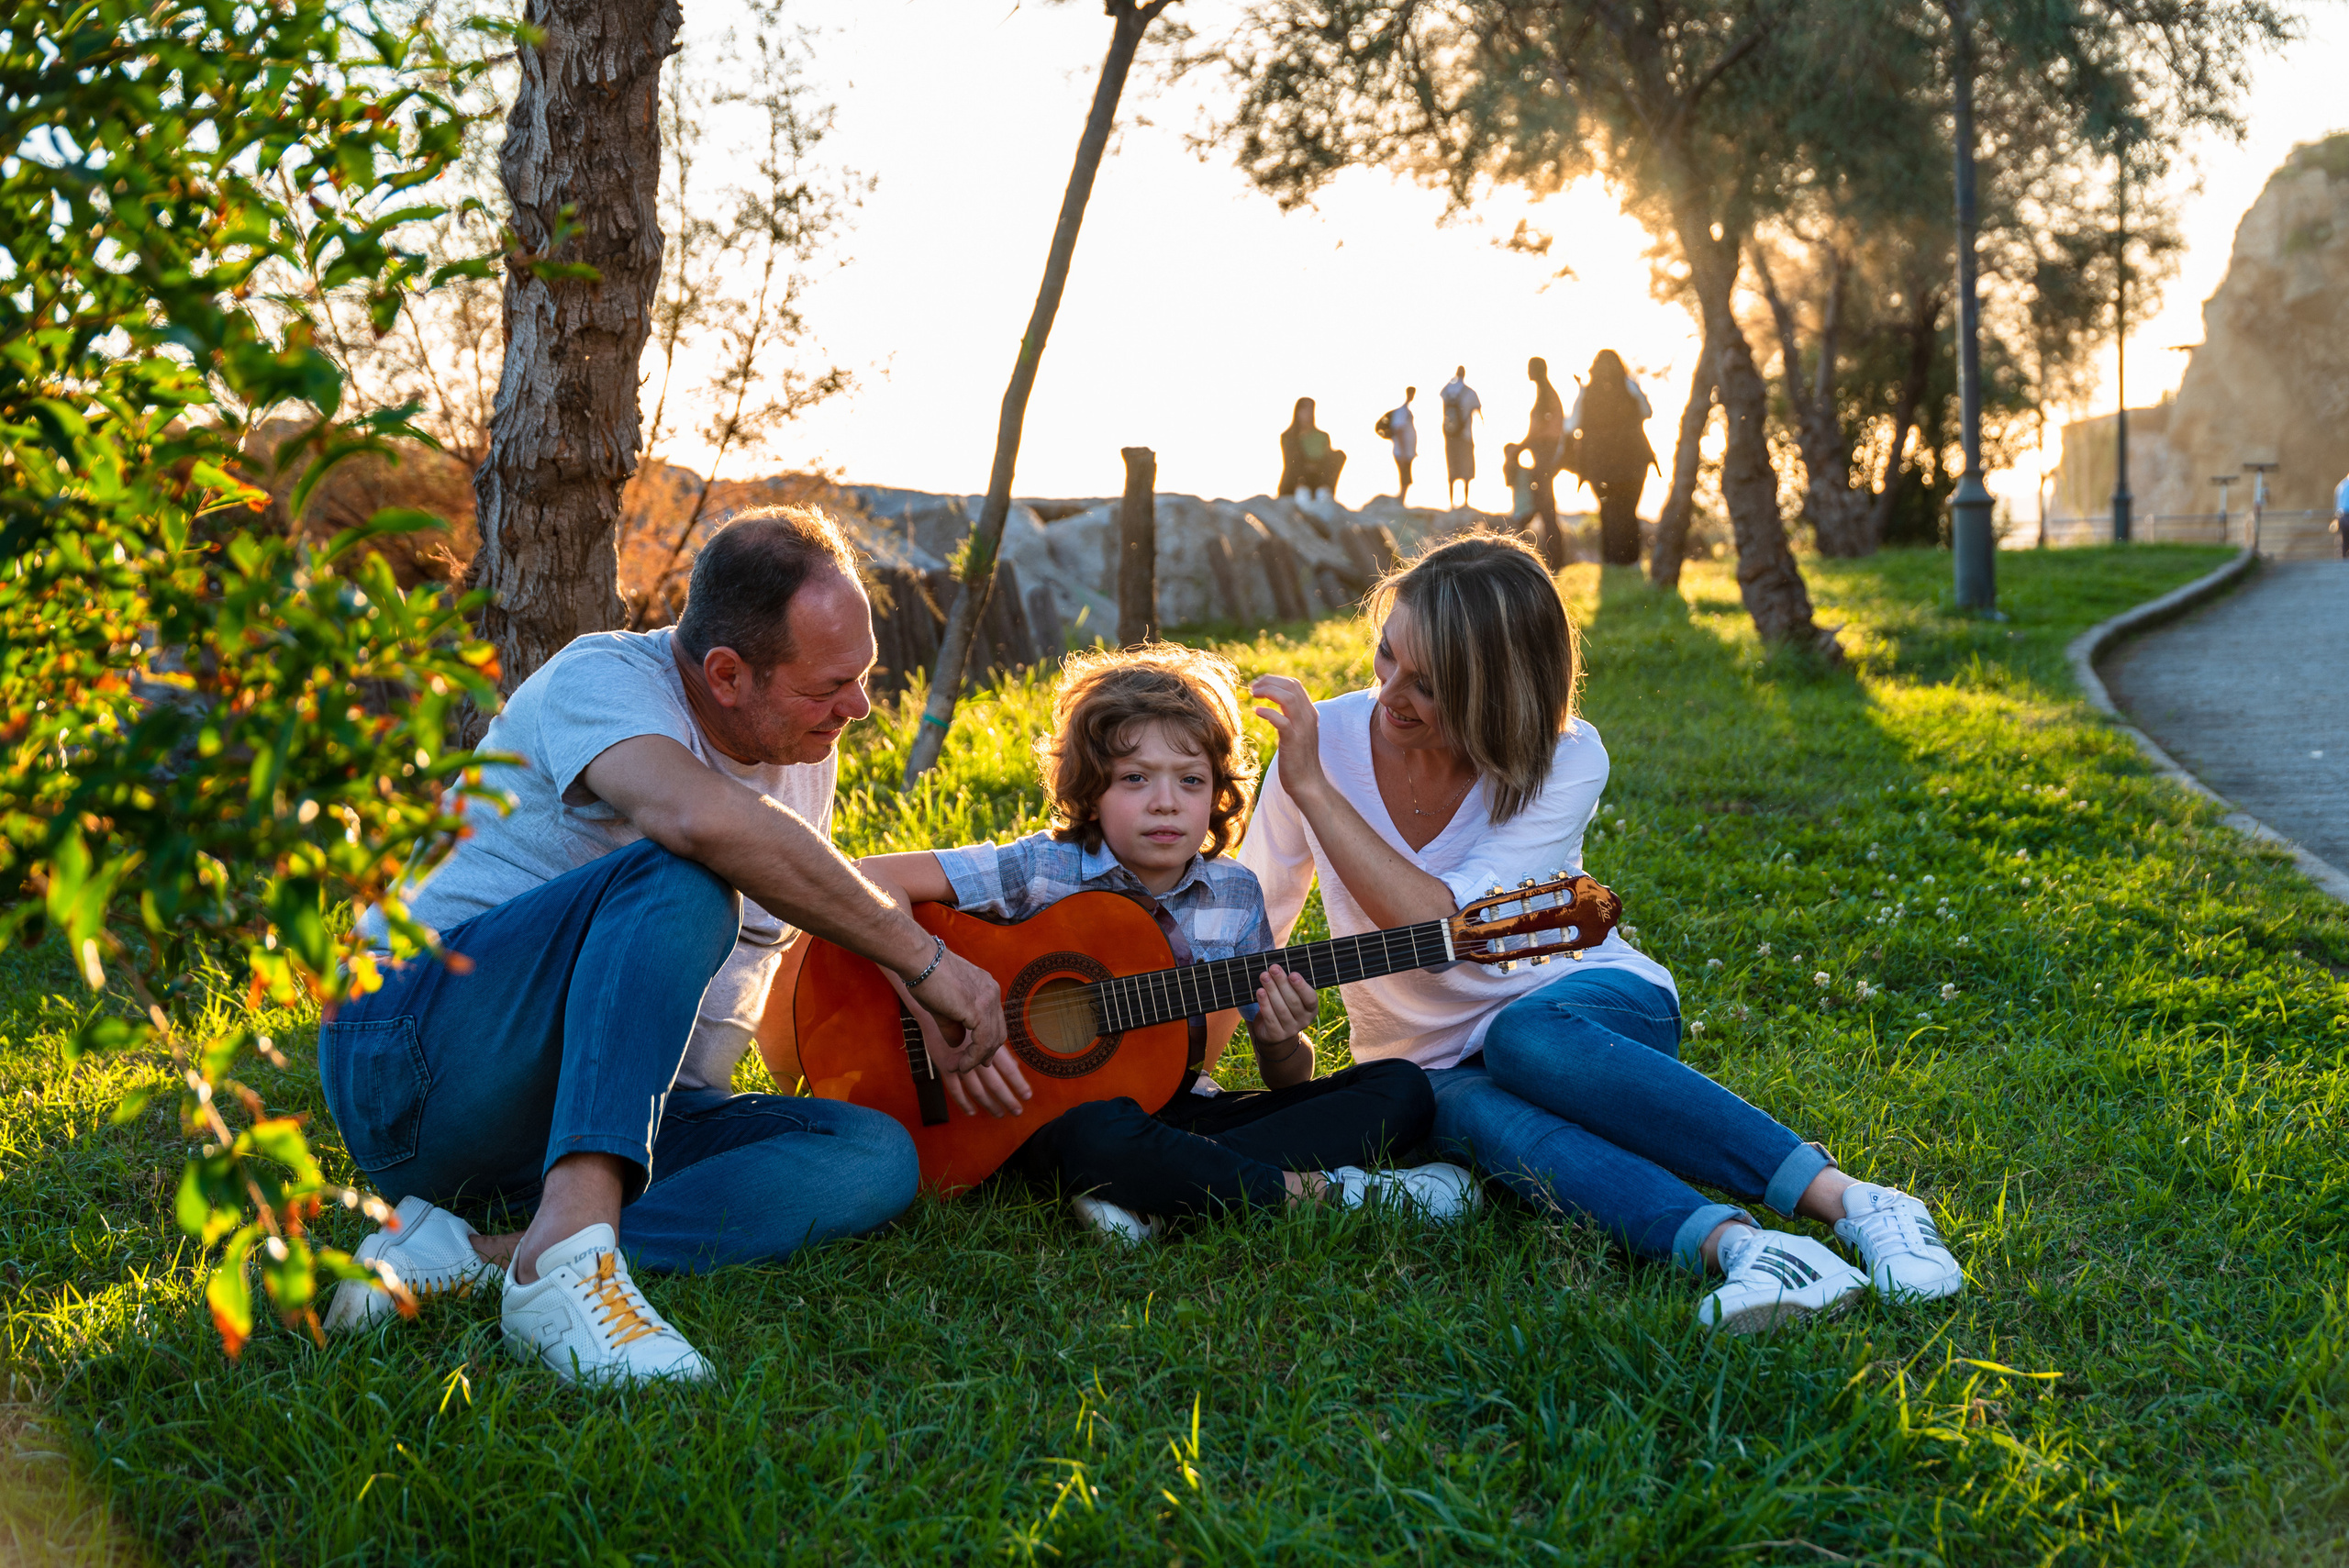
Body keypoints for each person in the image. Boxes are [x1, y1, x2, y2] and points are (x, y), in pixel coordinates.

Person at [318, 507, 1025, 1383]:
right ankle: (569, 1255)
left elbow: (799, 882)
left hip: (600, 1112)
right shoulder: (602, 678)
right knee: (686, 872)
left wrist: (897, 959)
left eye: (863, 676)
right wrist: (922, 958)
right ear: (726, 673)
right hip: (413, 1063)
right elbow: (702, 822)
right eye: (829, 686)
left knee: (873, 1156)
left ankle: (483, 1251)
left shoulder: (802, 744)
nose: (859, 706)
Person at [1237, 533, 1965, 1333]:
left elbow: (1440, 922)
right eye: (1387, 657)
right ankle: (1752, 1254)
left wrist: (1310, 783)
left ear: (1498, 688)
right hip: (1423, 1061)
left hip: (1583, 1008)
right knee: (1476, 1116)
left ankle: (1859, 1204)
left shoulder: (1564, 756)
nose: (1391, 694)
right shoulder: (1331, 737)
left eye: (1429, 684)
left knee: (1522, 1038)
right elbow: (1243, 919)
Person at [856, 645, 1475, 1242]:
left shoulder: (1233, 895)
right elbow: (867, 881)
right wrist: (930, 1000)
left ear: (1216, 791)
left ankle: (1150, 1190)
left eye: (1190, 780)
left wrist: (1278, 1036)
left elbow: (1288, 1082)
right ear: (1091, 791)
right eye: (1134, 778)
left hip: (1176, 1113)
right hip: (1040, 1119)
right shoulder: (1042, 868)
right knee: (1096, 1130)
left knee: (1401, 1089)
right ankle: (1320, 1194)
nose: (1165, 802)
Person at [1564, 350, 1658, 567]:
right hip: (1633, 459)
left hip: (1600, 463)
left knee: (1608, 511)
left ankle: (1611, 560)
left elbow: (1572, 425)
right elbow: (1647, 412)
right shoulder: (1628, 386)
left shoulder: (1587, 393)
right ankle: (1632, 560)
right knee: (1628, 510)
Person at [1520, 358, 1570, 571]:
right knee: (1545, 508)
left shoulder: (1547, 395)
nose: (1528, 371)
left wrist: (1520, 447)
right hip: (1542, 457)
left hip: (1545, 459)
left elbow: (1542, 431)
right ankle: (1552, 560)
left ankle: (1554, 561)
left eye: (1531, 368)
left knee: (1545, 509)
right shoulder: (1545, 393)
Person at [1277, 398, 1347, 501]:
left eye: (1311, 409)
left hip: (1316, 479)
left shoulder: (1322, 436)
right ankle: (1301, 488)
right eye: (1305, 409)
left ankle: (1325, 491)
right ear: (1298, 412)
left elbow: (1329, 460)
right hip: (1295, 481)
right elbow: (1291, 462)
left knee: (1339, 455)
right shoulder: (1288, 437)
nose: (1308, 413)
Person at [1441, 367, 1482, 509]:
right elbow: (1478, 410)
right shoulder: (1469, 393)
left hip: (1450, 436)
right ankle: (1465, 502)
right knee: (1466, 469)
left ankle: (1451, 503)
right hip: (1465, 435)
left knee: (1452, 468)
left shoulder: (1447, 390)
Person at [1380, 386, 1419, 506]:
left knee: (1406, 476)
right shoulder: (1402, 412)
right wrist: (1402, 451)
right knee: (1405, 476)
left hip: (1406, 451)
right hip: (1402, 452)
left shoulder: (1406, 411)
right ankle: (1400, 500)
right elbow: (1399, 431)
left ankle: (1401, 499)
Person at [2333, 470, 2349, 558]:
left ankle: (2343, 560)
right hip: (2347, 516)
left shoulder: (2341, 485)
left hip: (2342, 517)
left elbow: (2337, 504)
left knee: (2344, 540)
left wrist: (2336, 518)